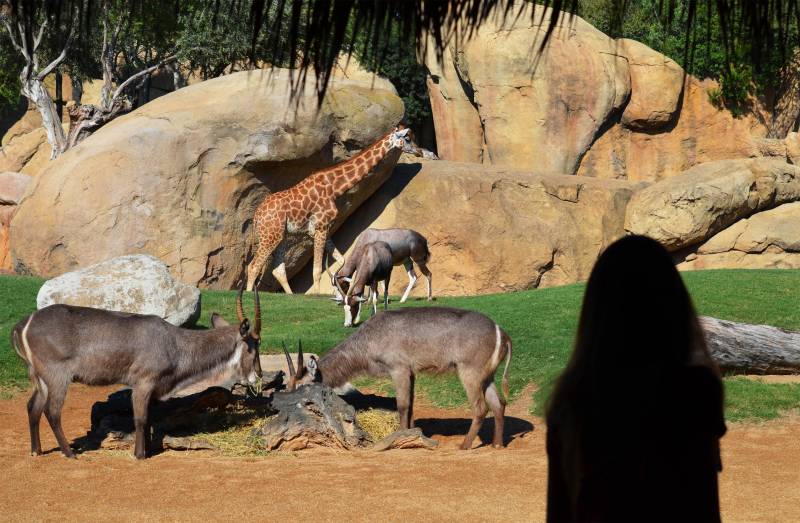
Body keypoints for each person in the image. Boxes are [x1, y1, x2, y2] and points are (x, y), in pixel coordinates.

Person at [545, 235, 727, 522]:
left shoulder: (573, 397)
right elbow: (703, 506)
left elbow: (559, 511)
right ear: (673, 304)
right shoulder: (695, 390)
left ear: (596, 310)